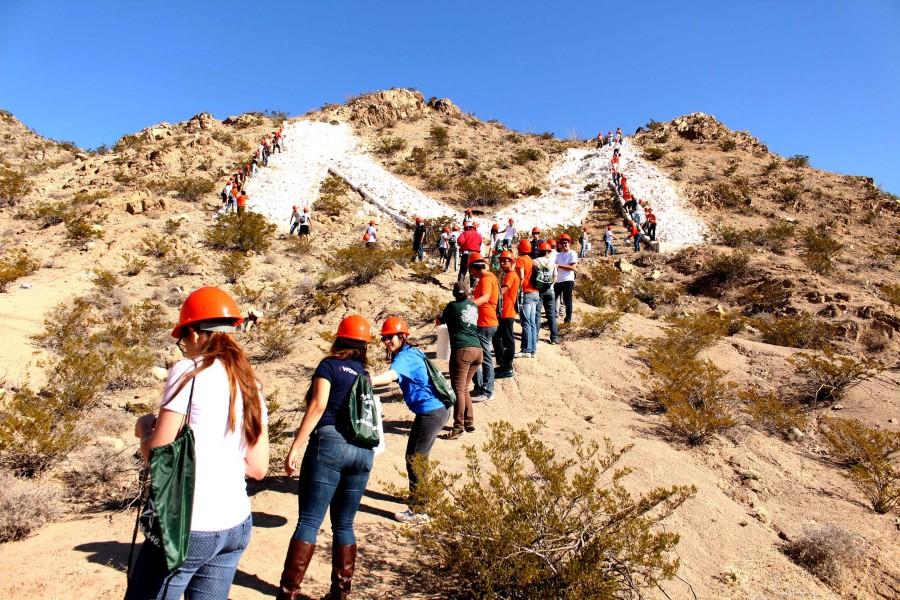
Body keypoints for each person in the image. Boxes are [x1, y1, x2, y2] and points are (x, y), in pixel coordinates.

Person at [128, 287, 268, 600]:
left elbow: (158, 452)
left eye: (182, 341)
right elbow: (258, 468)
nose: (183, 349)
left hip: (189, 523)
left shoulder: (188, 371)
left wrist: (143, 433)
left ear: (193, 333)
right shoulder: (250, 383)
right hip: (235, 524)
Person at [277, 315, 375, 600]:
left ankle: (288, 594)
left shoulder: (329, 366)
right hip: (362, 452)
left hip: (330, 443)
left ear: (338, 339)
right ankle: (340, 594)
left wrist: (296, 445)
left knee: (309, 521)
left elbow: (319, 405)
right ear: (364, 346)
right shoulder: (365, 376)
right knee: (344, 524)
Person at [370, 318, 450, 524]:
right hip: (434, 410)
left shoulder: (405, 357)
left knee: (416, 457)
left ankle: (420, 510)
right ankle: (421, 498)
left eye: (390, 337)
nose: (387, 341)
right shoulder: (412, 352)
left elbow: (390, 377)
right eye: (384, 338)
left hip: (431, 412)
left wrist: (364, 380)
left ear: (403, 337)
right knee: (416, 456)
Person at [436, 281, 482, 439]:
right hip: (478, 350)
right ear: (468, 293)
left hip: (462, 350)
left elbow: (440, 321)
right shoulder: (474, 306)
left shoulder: (452, 306)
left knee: (458, 389)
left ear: (455, 293)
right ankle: (469, 421)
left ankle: (458, 426)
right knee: (464, 387)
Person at [467, 253, 499, 402]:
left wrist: (468, 305)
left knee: (485, 358)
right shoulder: (489, 277)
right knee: (478, 356)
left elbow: (485, 297)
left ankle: (488, 390)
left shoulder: (486, 279)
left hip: (486, 322)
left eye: (471, 269)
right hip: (485, 321)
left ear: (476, 267)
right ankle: (480, 386)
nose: (471, 273)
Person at [494, 250, 520, 379]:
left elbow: (503, 291)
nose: (503, 263)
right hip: (504, 312)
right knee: (498, 338)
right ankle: (503, 364)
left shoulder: (511, 275)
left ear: (512, 262)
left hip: (507, 313)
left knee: (507, 341)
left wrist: (490, 294)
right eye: (501, 261)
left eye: (506, 261)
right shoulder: (509, 274)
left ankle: (508, 367)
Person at [515, 240, 538, 359]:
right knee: (533, 322)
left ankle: (526, 350)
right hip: (535, 293)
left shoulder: (520, 260)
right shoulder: (531, 260)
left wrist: (517, 289)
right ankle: (533, 350)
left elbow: (522, 277)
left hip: (527, 293)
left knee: (526, 322)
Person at [533, 242, 559, 346]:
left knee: (537, 314)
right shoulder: (552, 263)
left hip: (538, 290)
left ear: (539, 251)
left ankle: (535, 338)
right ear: (548, 252)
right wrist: (551, 285)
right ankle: (554, 338)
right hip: (550, 290)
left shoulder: (534, 262)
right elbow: (555, 277)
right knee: (551, 315)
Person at [553, 234, 578, 324]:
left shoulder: (572, 253)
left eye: (565, 243)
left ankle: (568, 320)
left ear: (569, 243)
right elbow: (555, 267)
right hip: (559, 280)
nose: (564, 245)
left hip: (568, 280)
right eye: (562, 243)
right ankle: (551, 319)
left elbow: (573, 267)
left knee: (567, 300)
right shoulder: (558, 255)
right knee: (553, 299)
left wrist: (559, 266)